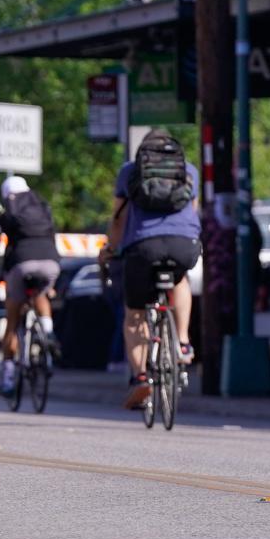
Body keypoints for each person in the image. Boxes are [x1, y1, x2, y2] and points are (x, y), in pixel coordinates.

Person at [105, 130, 201, 410]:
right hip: (184, 244)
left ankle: (142, 376)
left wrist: (109, 249)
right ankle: (183, 342)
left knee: (134, 315)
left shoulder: (129, 171)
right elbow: (193, 210)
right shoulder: (189, 169)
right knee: (179, 280)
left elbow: (118, 220)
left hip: (143, 247)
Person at [0, 175, 62, 396]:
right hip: (50, 261)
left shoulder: (3, 208)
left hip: (20, 262)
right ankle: (48, 333)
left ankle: (7, 382)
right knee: (41, 295)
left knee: (12, 321)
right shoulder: (42, 204)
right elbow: (52, 236)